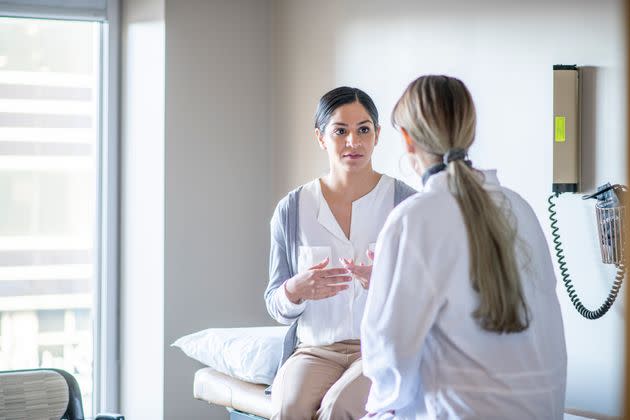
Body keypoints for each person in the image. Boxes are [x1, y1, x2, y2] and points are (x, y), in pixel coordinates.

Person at [361, 75, 567, 419]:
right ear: (468, 132)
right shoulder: (519, 207)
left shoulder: (415, 217)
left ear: (407, 140)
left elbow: (388, 357)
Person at [264, 86, 416, 419]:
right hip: (315, 351)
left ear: (377, 135)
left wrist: (386, 284)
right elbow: (275, 301)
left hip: (379, 350)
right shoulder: (292, 210)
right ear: (320, 137)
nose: (353, 142)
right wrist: (295, 290)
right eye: (340, 131)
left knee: (337, 408)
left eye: (364, 129)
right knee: (289, 408)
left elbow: (428, 299)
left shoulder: (406, 205)